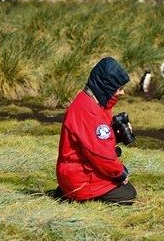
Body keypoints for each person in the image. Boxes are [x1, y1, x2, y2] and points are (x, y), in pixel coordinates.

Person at [55, 57, 137, 205]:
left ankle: (67, 190)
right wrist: (120, 173)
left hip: (72, 172)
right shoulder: (90, 112)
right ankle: (74, 194)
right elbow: (101, 156)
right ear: (106, 86)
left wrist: (116, 134)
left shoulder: (89, 101)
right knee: (128, 194)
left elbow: (92, 141)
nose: (122, 92)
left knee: (122, 187)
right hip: (80, 177)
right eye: (119, 88)